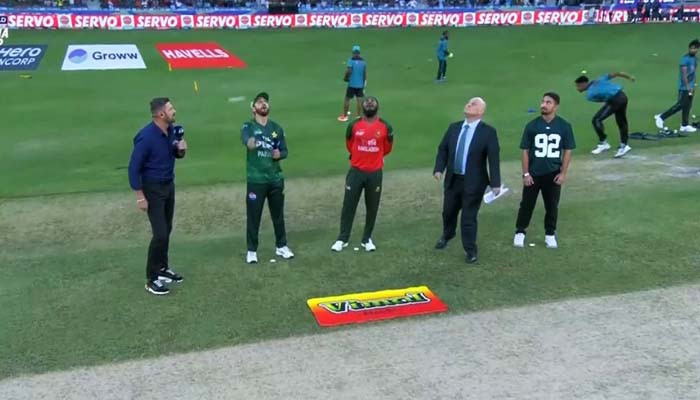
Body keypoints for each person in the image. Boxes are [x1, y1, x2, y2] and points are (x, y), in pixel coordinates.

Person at [128, 97, 187, 295]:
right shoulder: (146, 137)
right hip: (152, 189)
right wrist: (140, 196)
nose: (174, 111)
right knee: (160, 233)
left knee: (167, 229)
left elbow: (174, 153)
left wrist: (180, 151)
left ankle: (162, 268)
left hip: (168, 185)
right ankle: (151, 278)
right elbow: (133, 168)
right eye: (170, 109)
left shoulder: (171, 131)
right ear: (161, 114)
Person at [433, 97, 501, 264]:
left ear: (480, 111)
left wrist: (495, 183)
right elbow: (443, 149)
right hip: (453, 180)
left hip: (474, 182)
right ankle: (448, 234)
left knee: (468, 218)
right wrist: (439, 168)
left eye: (474, 104)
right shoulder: (454, 128)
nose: (469, 104)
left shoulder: (488, 132)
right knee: (448, 212)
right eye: (469, 102)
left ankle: (470, 250)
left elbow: (493, 158)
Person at [331, 96, 394, 252]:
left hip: (375, 174)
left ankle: (367, 239)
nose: (370, 103)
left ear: (377, 107)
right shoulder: (353, 125)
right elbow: (349, 145)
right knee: (348, 205)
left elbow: (387, 148)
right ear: (363, 106)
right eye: (367, 102)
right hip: (356, 172)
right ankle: (343, 238)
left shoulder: (385, 126)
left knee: (372, 207)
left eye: (373, 102)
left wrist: (374, 157)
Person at [514, 92, 575, 250]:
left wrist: (563, 173)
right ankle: (520, 232)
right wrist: (526, 173)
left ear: (556, 106)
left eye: (548, 102)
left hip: (553, 173)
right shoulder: (532, 126)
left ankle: (550, 234)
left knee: (552, 205)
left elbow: (568, 150)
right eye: (543, 101)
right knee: (526, 204)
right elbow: (525, 150)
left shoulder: (564, 126)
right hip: (534, 173)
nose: (543, 105)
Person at [241, 92, 294, 264]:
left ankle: (281, 246)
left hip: (275, 178)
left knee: (278, 215)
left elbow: (284, 151)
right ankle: (251, 250)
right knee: (254, 216)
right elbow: (247, 142)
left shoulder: (276, 129)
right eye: (259, 102)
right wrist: (253, 142)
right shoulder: (248, 126)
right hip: (256, 179)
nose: (263, 104)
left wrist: (280, 155)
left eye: (265, 102)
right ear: (253, 108)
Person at [574, 72, 635, 158]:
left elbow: (604, 100)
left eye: (578, 86)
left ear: (584, 83)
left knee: (596, 120)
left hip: (615, 100)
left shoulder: (590, 95)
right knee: (621, 122)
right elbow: (615, 73)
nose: (577, 88)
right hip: (623, 96)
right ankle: (624, 145)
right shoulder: (599, 80)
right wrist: (629, 76)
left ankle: (604, 143)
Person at [654, 39, 699, 133]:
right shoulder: (684, 59)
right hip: (684, 87)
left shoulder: (695, 59)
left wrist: (693, 85)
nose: (692, 50)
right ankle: (661, 117)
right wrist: (688, 87)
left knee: (687, 105)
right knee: (681, 105)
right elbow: (684, 75)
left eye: (695, 48)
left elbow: (693, 73)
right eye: (691, 48)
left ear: (697, 49)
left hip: (691, 86)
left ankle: (684, 125)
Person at [338, 45, 367, 122]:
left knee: (347, 99)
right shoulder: (363, 62)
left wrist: (346, 78)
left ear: (353, 52)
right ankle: (358, 116)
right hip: (360, 84)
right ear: (359, 52)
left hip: (352, 84)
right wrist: (364, 83)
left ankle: (345, 116)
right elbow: (364, 74)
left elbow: (349, 71)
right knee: (359, 100)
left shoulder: (351, 60)